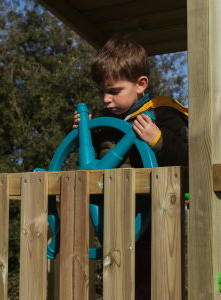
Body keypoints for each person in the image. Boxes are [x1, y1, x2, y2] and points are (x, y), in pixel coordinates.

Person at [73, 35, 188, 299]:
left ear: (140, 85)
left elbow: (188, 158)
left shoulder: (163, 114)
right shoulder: (102, 122)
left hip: (156, 216)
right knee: (118, 279)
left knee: (155, 279)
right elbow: (91, 163)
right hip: (113, 214)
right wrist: (84, 133)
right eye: (102, 91)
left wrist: (159, 140)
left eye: (114, 91)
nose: (106, 99)